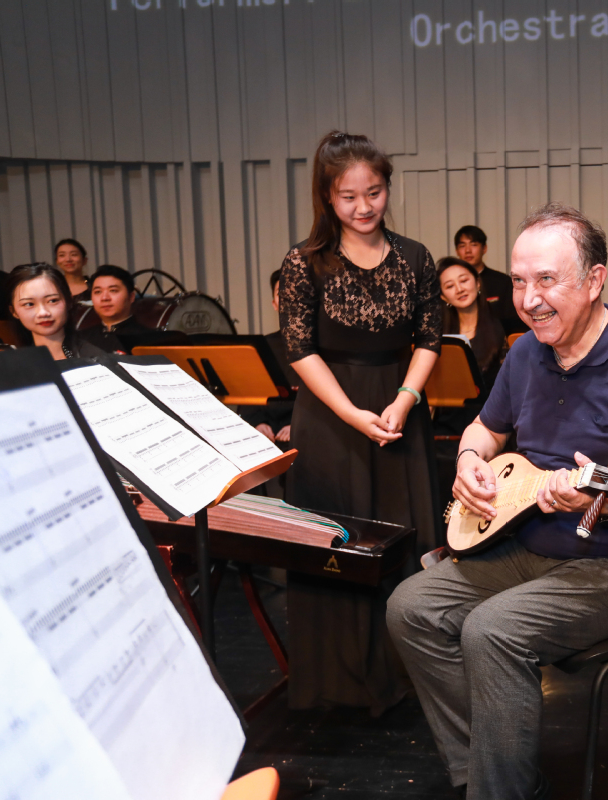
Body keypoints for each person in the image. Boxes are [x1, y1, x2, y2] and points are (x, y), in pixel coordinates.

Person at [387, 202, 608, 800]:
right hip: (536, 545)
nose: (529, 298)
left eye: (547, 280)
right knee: (411, 607)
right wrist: (468, 463)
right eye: (518, 281)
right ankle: (488, 774)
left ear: (594, 281)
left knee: (492, 630)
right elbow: (484, 431)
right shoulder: (525, 353)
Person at [279, 130, 443, 712]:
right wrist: (351, 413)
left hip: (398, 412)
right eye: (349, 196)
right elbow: (299, 350)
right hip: (330, 417)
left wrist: (404, 398)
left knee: (404, 539)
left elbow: (429, 337)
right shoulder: (304, 262)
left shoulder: (416, 256)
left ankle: (408, 678)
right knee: (338, 546)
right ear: (327, 197)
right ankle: (339, 684)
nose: (364, 206)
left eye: (374, 192)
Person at [241, 269, 300, 448]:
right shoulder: (263, 345)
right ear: (274, 303)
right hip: (268, 431)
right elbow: (249, 393)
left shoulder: (322, 345)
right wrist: (258, 423)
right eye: (280, 293)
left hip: (307, 429)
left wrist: (299, 425)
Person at [5, 263, 103, 360]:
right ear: (14, 311)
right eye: (29, 304)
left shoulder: (94, 359)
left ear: (68, 301)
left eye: (52, 301)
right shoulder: (13, 363)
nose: (43, 312)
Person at [439, 255, 509, 387]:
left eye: (464, 280)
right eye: (450, 286)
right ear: (444, 297)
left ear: (477, 283)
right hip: (450, 406)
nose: (459, 289)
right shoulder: (439, 335)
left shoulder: (501, 328)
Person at [456, 224, 525, 333]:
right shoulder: (453, 286)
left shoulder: (503, 282)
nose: (468, 250)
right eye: (462, 246)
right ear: (457, 251)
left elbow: (514, 321)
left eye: (474, 244)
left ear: (484, 248)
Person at [79, 265, 149, 354]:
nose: (104, 298)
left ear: (131, 297)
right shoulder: (80, 339)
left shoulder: (147, 340)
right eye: (98, 292)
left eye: (113, 290)